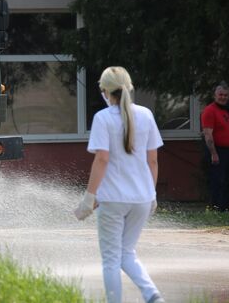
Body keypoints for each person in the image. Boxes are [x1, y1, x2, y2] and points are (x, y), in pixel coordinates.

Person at [74, 66, 164, 303]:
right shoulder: (146, 115)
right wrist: (152, 193)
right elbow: (152, 160)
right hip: (142, 199)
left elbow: (102, 159)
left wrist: (88, 197)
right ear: (129, 88)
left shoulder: (102, 118)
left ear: (105, 91)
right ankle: (152, 295)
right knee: (127, 253)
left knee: (112, 259)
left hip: (113, 199)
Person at [200, 82, 229, 211]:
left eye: (226, 95)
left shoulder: (228, 110)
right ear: (214, 95)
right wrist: (213, 153)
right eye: (220, 95)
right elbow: (208, 134)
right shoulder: (210, 111)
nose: (223, 97)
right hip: (218, 151)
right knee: (218, 181)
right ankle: (217, 208)